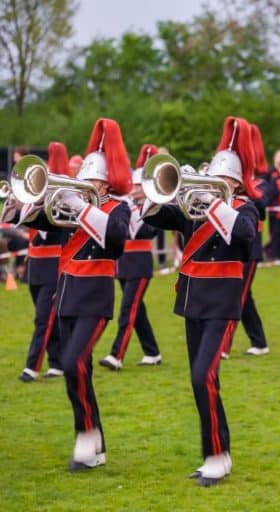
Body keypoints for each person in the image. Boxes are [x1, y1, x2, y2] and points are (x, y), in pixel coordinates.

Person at [142, 116, 258, 486]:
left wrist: (213, 203)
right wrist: (153, 193)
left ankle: (217, 454)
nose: (215, 181)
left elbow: (245, 239)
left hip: (223, 303)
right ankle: (216, 452)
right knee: (202, 382)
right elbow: (160, 218)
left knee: (203, 376)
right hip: (193, 301)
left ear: (236, 182)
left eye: (223, 178)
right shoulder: (195, 206)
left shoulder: (243, 208)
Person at [24, 119, 132, 471]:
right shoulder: (72, 206)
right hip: (67, 296)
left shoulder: (118, 208)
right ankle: (93, 441)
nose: (85, 184)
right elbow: (38, 221)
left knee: (72, 363)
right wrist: (27, 199)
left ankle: (86, 437)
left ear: (106, 181)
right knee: (78, 370)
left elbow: (116, 241)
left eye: (92, 180)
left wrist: (81, 206)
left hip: (96, 300)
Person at [99, 144, 162, 370]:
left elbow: (147, 232)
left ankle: (117, 355)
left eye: (139, 186)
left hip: (140, 263)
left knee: (128, 309)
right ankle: (152, 351)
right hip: (123, 263)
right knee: (137, 310)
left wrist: (136, 211)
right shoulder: (127, 205)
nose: (134, 190)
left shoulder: (153, 207)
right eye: (133, 186)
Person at [11, 142, 71, 382]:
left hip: (52, 265)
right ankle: (57, 362)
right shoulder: (33, 201)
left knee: (43, 318)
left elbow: (53, 227)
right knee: (45, 315)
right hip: (36, 264)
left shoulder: (61, 202)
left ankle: (32, 366)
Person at [222, 122, 274, 358]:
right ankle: (259, 341)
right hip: (230, 245)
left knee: (237, 295)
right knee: (244, 296)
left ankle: (223, 346)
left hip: (250, 247)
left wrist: (246, 188)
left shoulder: (261, 183)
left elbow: (261, 208)